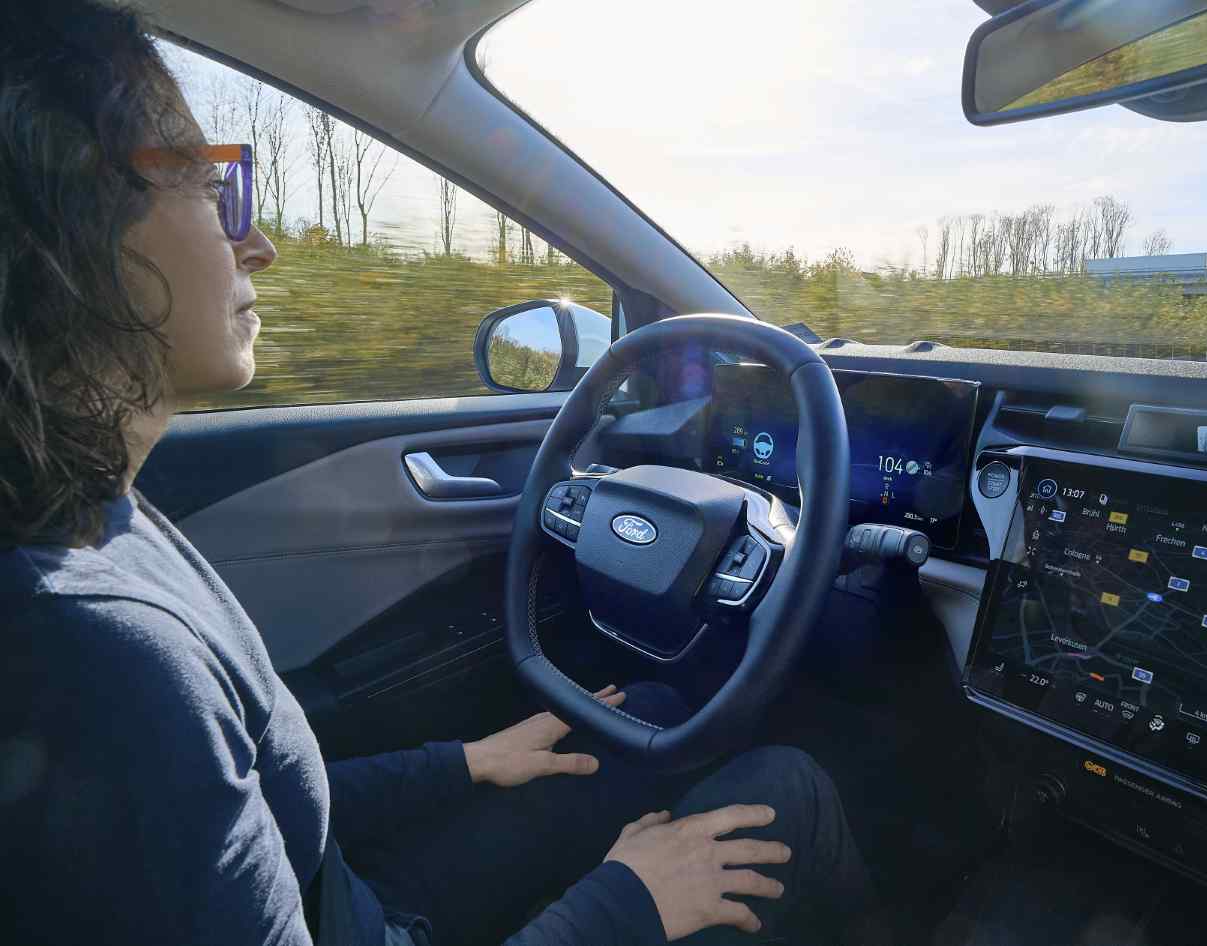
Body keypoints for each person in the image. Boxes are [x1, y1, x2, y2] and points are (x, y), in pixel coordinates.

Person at [0, 4, 877, 945]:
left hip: (350, 895)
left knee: (653, 710)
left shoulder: (94, 517)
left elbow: (257, 807)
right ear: (67, 224)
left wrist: (465, 762)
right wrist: (629, 902)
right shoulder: (92, 649)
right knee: (788, 793)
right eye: (214, 188)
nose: (258, 244)